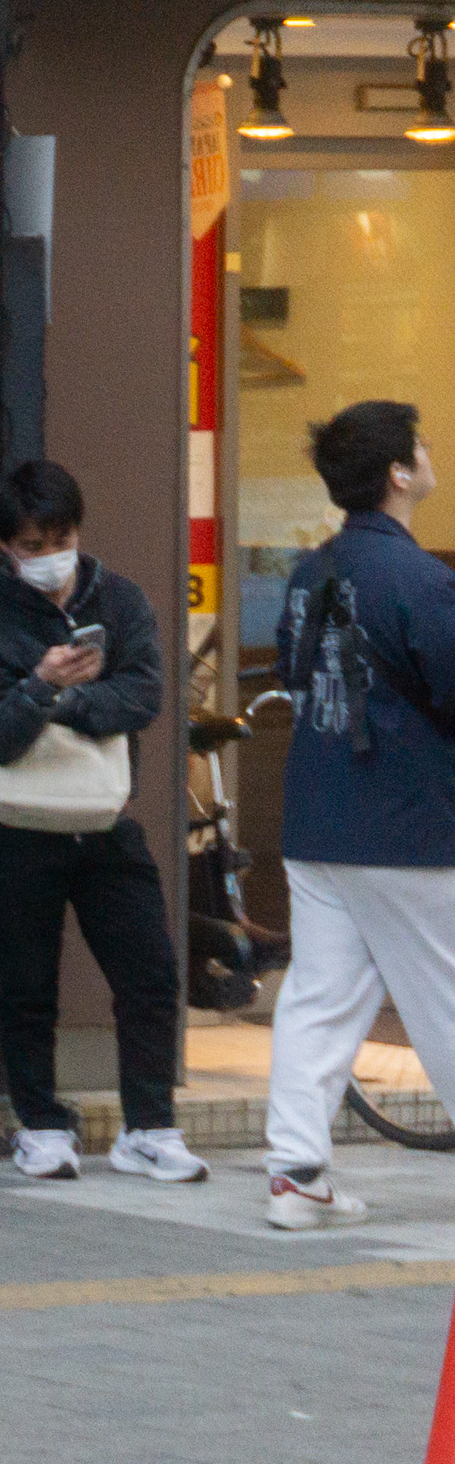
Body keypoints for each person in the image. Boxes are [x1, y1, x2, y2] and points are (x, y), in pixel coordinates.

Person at [0, 459, 201, 1187]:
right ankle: (41, 1126)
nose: (50, 556)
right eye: (32, 545)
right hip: (17, 829)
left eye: (61, 539)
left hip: (105, 818)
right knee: (29, 985)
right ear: (4, 546)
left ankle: (149, 1126)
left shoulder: (119, 600)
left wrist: (64, 702)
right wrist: (41, 685)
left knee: (149, 972)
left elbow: (144, 696)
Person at [262, 400, 455, 1229]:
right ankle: (298, 1175)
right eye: (420, 446)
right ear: (398, 474)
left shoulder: (311, 571)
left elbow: (292, 671)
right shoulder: (421, 579)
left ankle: (296, 1174)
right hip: (404, 823)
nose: (430, 452)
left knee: (319, 997)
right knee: (445, 994)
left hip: (316, 819)